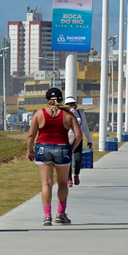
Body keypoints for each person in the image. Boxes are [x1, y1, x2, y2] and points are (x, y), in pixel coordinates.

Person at [27, 88, 82, 226]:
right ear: (61, 99)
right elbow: (79, 135)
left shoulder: (39, 114)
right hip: (62, 148)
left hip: (43, 148)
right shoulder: (68, 115)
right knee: (63, 183)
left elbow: (31, 135)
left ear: (47, 100)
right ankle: (61, 214)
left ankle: (47, 216)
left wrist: (30, 151)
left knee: (46, 184)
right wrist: (71, 149)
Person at [65, 96, 93, 188]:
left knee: (77, 159)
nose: (71, 106)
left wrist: (89, 139)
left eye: (72, 104)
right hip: (67, 137)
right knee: (68, 159)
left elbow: (85, 127)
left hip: (78, 137)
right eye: (69, 104)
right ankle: (69, 179)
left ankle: (76, 174)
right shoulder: (63, 114)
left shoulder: (80, 113)